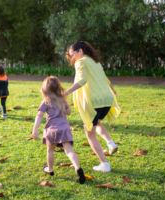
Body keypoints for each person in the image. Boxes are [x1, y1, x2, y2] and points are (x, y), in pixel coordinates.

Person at [64, 41, 121, 173]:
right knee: (96, 123)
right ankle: (110, 143)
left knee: (90, 134)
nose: (72, 58)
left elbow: (82, 80)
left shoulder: (81, 62)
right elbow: (105, 78)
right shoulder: (95, 62)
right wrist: (112, 90)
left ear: (80, 51)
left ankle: (105, 164)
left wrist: (67, 92)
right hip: (107, 100)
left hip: (94, 101)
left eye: (73, 54)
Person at [31, 76, 85, 184]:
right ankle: (77, 167)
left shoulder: (45, 101)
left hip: (51, 129)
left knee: (50, 150)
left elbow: (39, 115)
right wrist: (65, 101)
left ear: (44, 90)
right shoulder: (62, 100)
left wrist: (35, 129)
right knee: (69, 151)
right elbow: (68, 112)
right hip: (64, 128)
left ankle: (50, 169)